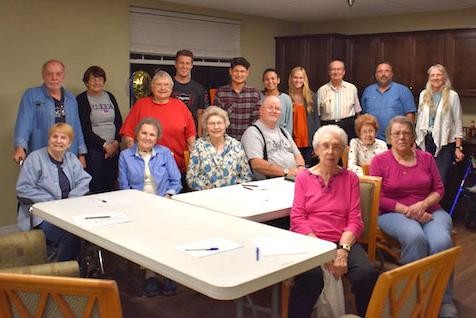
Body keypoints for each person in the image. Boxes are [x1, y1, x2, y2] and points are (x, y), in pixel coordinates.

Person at [370, 116, 456, 318]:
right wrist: (408, 210)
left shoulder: (426, 158)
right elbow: (377, 196)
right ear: (389, 137)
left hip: (430, 210)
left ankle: (444, 300)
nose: (401, 137)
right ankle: (411, 299)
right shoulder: (379, 161)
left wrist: (422, 205)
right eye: (396, 133)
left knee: (442, 242)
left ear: (413, 137)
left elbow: (439, 189)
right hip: (393, 212)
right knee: (415, 238)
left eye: (406, 133)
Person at [288, 125, 378, 318]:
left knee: (366, 273)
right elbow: (297, 218)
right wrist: (323, 251)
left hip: (341, 240)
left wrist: (343, 251)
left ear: (343, 150)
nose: (330, 151)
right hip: (311, 242)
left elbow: (355, 220)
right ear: (316, 149)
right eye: (325, 146)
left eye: (336, 146)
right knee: (311, 278)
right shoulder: (304, 177)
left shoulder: (351, 178)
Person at [118, 118, 182, 296]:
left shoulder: (164, 153)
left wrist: (168, 196)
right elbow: (124, 186)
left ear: (157, 138)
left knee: (167, 232)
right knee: (146, 233)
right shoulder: (125, 156)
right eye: (144, 133)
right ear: (137, 135)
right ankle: (150, 274)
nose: (147, 137)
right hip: (137, 205)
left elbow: (176, 181)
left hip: (163, 201)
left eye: (152, 134)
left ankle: (168, 272)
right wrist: (137, 204)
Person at [16, 123, 91, 261]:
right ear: (48, 139)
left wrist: (72, 198)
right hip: (41, 217)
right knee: (70, 236)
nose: (58, 140)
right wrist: (50, 202)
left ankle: (79, 269)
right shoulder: (35, 158)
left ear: (69, 143)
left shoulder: (71, 159)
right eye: (54, 136)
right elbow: (23, 188)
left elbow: (84, 180)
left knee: (88, 232)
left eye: (63, 138)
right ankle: (63, 272)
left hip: (68, 214)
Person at [120, 70, 196, 177]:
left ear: (171, 88)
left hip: (177, 167)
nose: (163, 88)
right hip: (146, 167)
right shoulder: (141, 105)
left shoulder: (180, 106)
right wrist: (136, 161)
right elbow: (128, 135)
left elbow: (191, 138)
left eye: (166, 85)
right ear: (152, 87)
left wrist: (193, 164)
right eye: (158, 84)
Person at [13, 60, 87, 166]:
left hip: (68, 154)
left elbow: (77, 127)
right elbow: (24, 123)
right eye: (49, 74)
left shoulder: (70, 98)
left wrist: (81, 154)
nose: (54, 78)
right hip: (41, 152)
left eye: (58, 74)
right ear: (43, 76)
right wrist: (20, 148)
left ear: (63, 76)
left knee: (66, 182)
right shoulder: (31, 95)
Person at [415, 64, 464, 186]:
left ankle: (437, 204)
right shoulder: (424, 94)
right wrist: (414, 142)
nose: (435, 78)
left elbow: (458, 122)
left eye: (439, 74)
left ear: (444, 77)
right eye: (432, 75)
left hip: (445, 143)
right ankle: (424, 204)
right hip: (426, 141)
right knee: (424, 177)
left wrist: (458, 148)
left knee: (439, 179)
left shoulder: (452, 96)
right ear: (429, 78)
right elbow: (419, 120)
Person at [77, 66, 123, 193]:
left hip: (113, 148)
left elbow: (118, 122)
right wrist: (104, 145)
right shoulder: (81, 99)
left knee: (111, 185)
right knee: (96, 186)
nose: (97, 82)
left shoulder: (110, 96)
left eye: (100, 79)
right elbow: (83, 128)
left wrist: (116, 143)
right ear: (86, 82)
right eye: (93, 79)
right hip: (94, 150)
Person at [186, 106, 252, 190]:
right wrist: (209, 189)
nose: (216, 127)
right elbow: (191, 178)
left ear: (225, 124)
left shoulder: (236, 145)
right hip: (206, 196)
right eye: (212, 124)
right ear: (206, 126)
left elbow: (247, 176)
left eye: (219, 123)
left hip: (233, 195)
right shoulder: (198, 146)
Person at [241, 95, 305, 180]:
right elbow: (257, 164)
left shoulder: (283, 131)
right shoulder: (253, 132)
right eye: (270, 108)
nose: (274, 111)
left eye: (277, 109)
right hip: (269, 184)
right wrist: (286, 172)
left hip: (292, 179)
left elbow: (298, 155)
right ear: (261, 110)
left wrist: (300, 168)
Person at [361, 62, 416, 142]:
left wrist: (409, 138)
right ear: (376, 75)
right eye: (380, 71)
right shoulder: (368, 91)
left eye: (387, 71)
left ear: (392, 74)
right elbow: (363, 116)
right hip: (372, 139)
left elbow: (410, 116)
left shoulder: (403, 90)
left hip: (397, 140)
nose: (383, 74)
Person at [214, 57, 260, 140]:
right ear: (230, 71)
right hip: (225, 141)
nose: (239, 74)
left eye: (242, 71)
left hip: (249, 141)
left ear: (247, 73)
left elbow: (256, 120)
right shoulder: (221, 93)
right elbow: (217, 119)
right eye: (236, 71)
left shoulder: (254, 94)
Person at [317, 60, 361, 140]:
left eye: (339, 69)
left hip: (348, 128)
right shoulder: (322, 90)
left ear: (343, 72)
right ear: (329, 72)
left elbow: (358, 112)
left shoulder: (352, 88)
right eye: (333, 69)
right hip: (328, 128)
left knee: (347, 151)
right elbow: (317, 114)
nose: (336, 72)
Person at [171, 49, 209, 136]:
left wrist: (199, 138)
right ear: (175, 64)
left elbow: (200, 116)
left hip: (191, 136)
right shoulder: (166, 86)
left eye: (187, 63)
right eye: (181, 63)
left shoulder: (199, 88)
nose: (184, 66)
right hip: (171, 135)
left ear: (191, 65)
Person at [288, 66, 320, 166]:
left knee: (307, 170)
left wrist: (317, 143)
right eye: (295, 77)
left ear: (304, 79)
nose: (298, 80)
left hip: (308, 142)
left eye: (301, 78)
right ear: (291, 79)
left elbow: (316, 121)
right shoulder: (286, 97)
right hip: (292, 142)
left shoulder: (312, 97)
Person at [260, 68, 293, 135]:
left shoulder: (286, 99)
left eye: (273, 78)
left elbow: (289, 123)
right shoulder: (259, 97)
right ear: (263, 81)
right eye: (267, 79)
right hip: (262, 135)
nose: (270, 81)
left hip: (281, 136)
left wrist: (286, 139)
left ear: (278, 80)